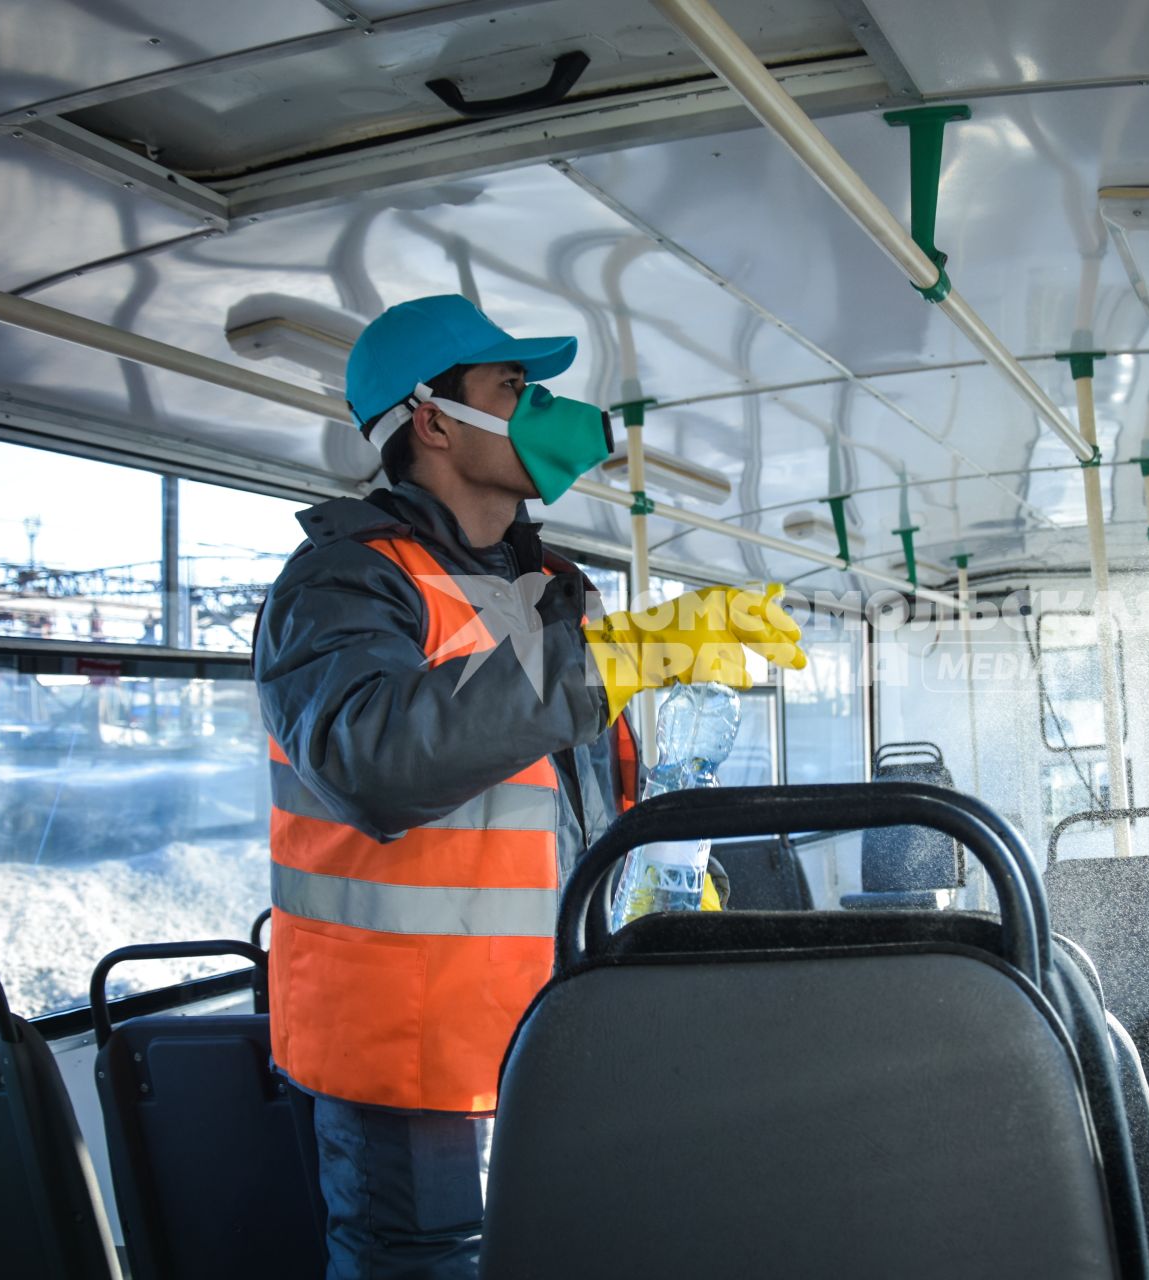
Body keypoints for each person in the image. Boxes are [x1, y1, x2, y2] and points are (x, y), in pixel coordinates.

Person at [254, 294, 805, 1278]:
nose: (543, 407)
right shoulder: (339, 581)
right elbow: (372, 757)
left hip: (548, 1030)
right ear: (432, 421)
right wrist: (615, 659)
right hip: (407, 1060)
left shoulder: (559, 587)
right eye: (513, 388)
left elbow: (573, 809)